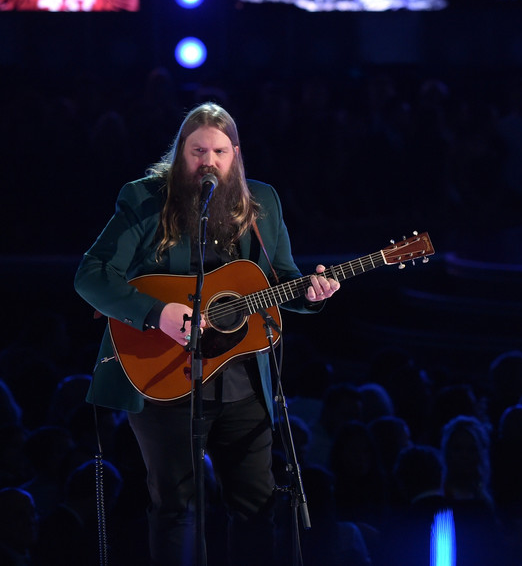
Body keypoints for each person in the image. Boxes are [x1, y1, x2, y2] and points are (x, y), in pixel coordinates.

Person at [74, 102, 340, 565]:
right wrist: (156, 313)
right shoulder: (144, 200)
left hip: (242, 383)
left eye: (218, 151)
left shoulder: (262, 203)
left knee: (257, 506)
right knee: (175, 508)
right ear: (181, 153)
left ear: (234, 154)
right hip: (163, 378)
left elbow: (279, 281)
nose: (208, 162)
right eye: (198, 151)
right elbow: (91, 275)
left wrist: (311, 295)